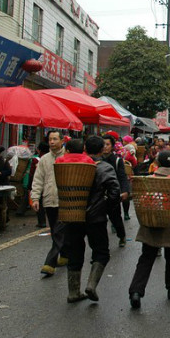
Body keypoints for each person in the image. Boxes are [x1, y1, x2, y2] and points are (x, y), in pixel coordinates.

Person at [129, 151, 170, 309]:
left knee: (146, 258)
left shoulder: (148, 180)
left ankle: (136, 291)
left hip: (150, 223)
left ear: (156, 164)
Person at [61, 135, 120, 303]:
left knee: (74, 253)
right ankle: (91, 285)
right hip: (96, 218)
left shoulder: (71, 166)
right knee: (101, 252)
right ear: (102, 149)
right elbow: (115, 193)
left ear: (85, 148)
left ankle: (73, 292)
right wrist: (106, 208)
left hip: (72, 216)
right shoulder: (105, 168)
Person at [31, 130, 67, 277]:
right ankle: (64, 255)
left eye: (55, 139)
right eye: (50, 139)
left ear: (62, 141)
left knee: (58, 231)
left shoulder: (68, 157)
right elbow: (38, 180)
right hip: (49, 200)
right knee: (55, 231)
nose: (51, 142)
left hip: (64, 201)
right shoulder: (44, 159)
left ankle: (49, 263)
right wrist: (35, 198)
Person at [102, 134, 130, 247]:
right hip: (99, 195)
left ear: (112, 146)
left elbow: (122, 177)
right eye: (103, 144)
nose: (105, 147)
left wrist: (125, 191)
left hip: (113, 194)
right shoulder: (96, 160)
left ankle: (122, 236)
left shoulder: (117, 160)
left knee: (116, 218)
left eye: (107, 144)